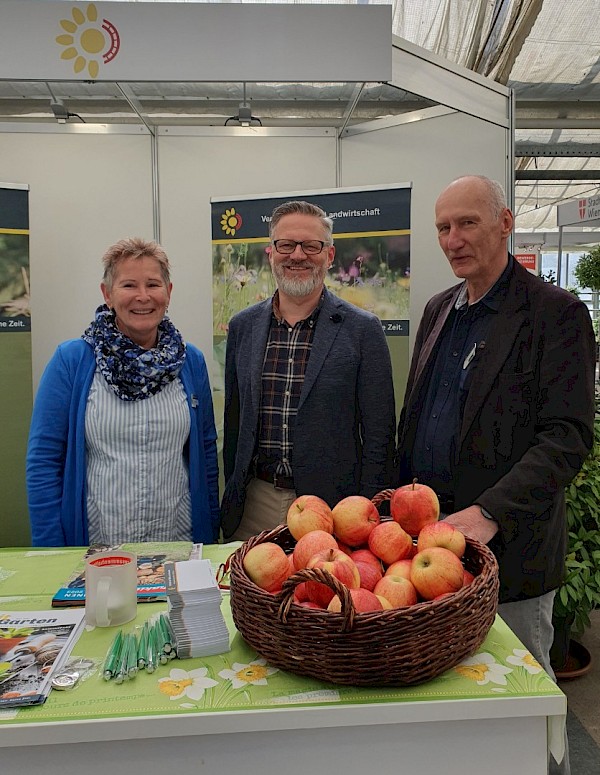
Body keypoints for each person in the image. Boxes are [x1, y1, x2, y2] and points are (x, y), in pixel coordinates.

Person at [397, 175, 595, 775]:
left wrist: (489, 513)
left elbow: (567, 439)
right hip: (432, 552)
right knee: (449, 710)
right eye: (442, 227)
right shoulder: (439, 310)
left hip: (511, 556)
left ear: (505, 224)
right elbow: (421, 419)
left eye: (467, 223)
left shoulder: (553, 314)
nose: (452, 239)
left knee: (520, 713)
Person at [27, 237, 220, 547]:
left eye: (153, 285)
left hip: (178, 543)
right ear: (107, 294)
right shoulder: (72, 361)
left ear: (168, 293)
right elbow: (43, 462)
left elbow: (206, 453)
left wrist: (210, 533)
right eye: (129, 285)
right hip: (97, 549)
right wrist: (50, 551)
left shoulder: (190, 362)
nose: (142, 297)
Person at [221, 200, 396, 541]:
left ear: (329, 255)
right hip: (254, 505)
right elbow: (235, 421)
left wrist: (369, 515)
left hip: (334, 511)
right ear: (270, 252)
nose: (297, 255)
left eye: (311, 245)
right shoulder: (243, 327)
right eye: (286, 245)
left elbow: (379, 439)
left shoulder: (363, 331)